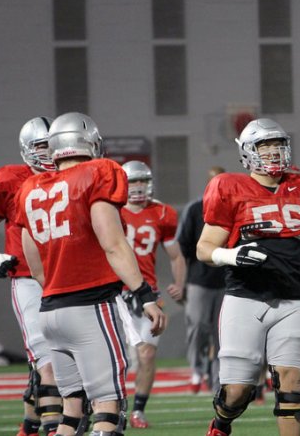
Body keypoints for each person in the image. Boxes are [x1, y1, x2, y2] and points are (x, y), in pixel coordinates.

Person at [17, 112, 166, 436]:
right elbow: (112, 243)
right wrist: (145, 294)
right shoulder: (100, 172)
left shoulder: (30, 186)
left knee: (71, 414)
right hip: (92, 306)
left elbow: (31, 255)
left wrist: (56, 286)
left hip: (51, 310)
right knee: (107, 410)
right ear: (90, 143)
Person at [198, 118, 300, 436]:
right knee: (238, 391)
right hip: (244, 298)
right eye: (265, 147)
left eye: (279, 146)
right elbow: (205, 248)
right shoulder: (229, 187)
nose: (274, 153)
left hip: (293, 299)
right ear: (248, 152)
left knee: (293, 384)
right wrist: (233, 255)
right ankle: (221, 423)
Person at [0, 116, 63, 436]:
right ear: (27, 148)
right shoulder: (11, 179)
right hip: (27, 277)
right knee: (46, 355)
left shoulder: (77, 174)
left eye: (54, 145)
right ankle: (55, 427)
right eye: (43, 146)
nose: (51, 153)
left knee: (61, 358)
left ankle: (30, 423)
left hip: (70, 277)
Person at [119, 160, 187, 429]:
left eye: (141, 181)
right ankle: (108, 407)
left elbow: (175, 255)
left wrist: (179, 283)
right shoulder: (110, 211)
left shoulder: (162, 213)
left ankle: (138, 410)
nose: (137, 187)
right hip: (115, 292)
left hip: (147, 293)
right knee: (117, 359)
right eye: (132, 181)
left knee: (147, 355)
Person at [177, 166, 226, 394]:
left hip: (227, 281)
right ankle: (197, 369)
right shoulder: (195, 209)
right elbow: (183, 248)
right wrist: (182, 282)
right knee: (197, 326)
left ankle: (217, 379)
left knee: (221, 333)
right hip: (199, 279)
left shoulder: (233, 208)